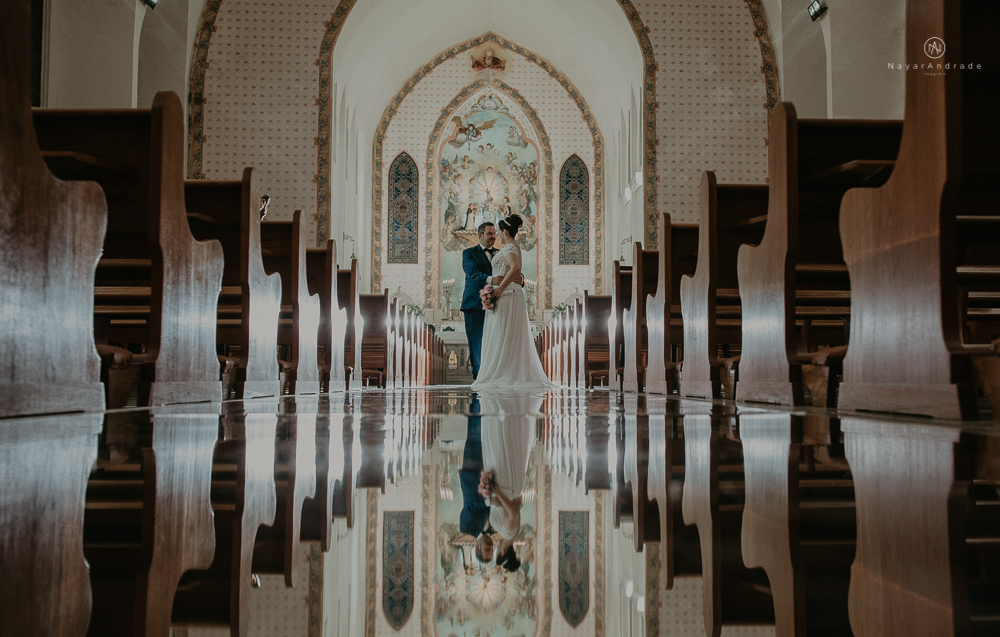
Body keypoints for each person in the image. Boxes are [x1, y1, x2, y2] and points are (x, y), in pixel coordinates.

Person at [471, 214, 554, 390]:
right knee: (503, 333)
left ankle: (506, 372)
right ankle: (502, 369)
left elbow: (516, 267)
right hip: (507, 294)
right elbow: (511, 269)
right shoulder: (509, 247)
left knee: (506, 332)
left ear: (505, 231)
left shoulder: (509, 248)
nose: (497, 236)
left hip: (507, 294)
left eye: (499, 232)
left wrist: (500, 289)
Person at [461, 222, 523, 380]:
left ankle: (495, 376)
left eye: (495, 233)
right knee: (476, 343)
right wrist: (491, 279)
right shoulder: (469, 253)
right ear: (480, 235)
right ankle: (478, 377)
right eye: (489, 234)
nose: (493, 237)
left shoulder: (501, 252)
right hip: (474, 304)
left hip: (498, 303)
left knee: (496, 341)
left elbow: (512, 270)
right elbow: (473, 273)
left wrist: (520, 279)